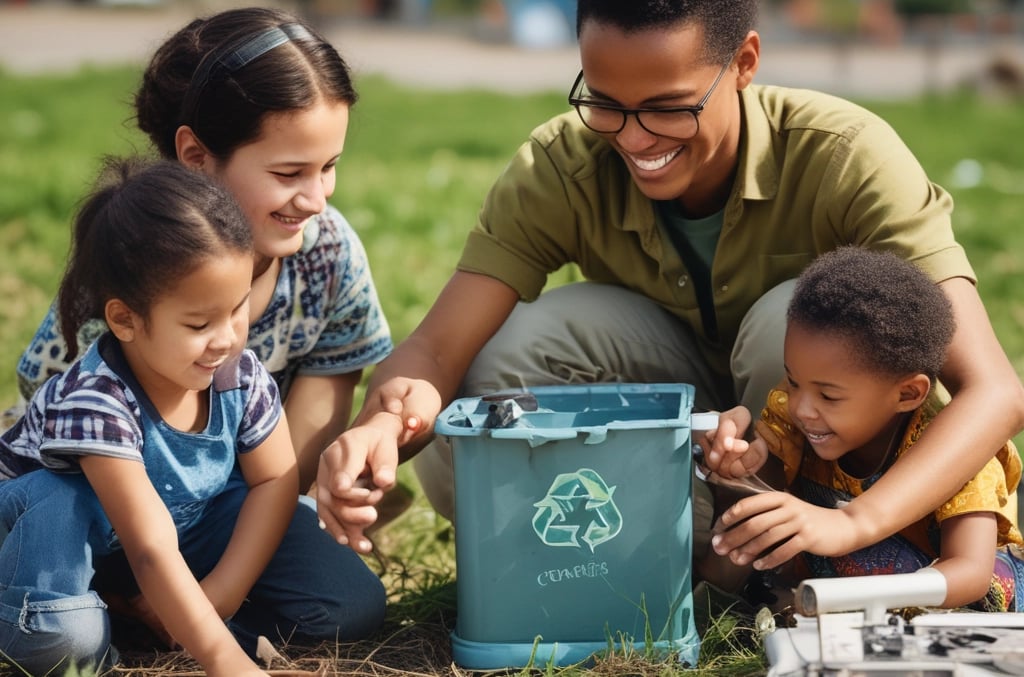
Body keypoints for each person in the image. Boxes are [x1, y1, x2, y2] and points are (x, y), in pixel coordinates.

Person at [315, 0, 1024, 569]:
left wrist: (856, 520)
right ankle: (626, 555)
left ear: (745, 62)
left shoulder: (845, 154)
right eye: (605, 102)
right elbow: (438, 350)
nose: (633, 137)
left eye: (668, 106)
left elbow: (992, 389)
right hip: (681, 434)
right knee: (498, 365)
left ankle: (783, 553)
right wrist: (380, 427)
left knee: (796, 319)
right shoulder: (562, 165)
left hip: (823, 478)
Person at [8, 5, 390, 656]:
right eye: (289, 172)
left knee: (345, 603)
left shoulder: (327, 252)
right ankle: (86, 614)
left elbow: (294, 447)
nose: (318, 197)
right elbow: (54, 397)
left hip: (216, 499)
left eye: (329, 167)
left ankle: (162, 621)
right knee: (66, 627)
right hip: (98, 503)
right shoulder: (131, 261)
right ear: (195, 155)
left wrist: (223, 587)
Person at [1, 157, 299, 676]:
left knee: (340, 599)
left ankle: (141, 612)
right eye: (199, 322)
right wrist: (227, 664)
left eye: (238, 308)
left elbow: (276, 476)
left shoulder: (238, 374)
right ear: (125, 319)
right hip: (42, 552)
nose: (227, 338)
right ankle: (75, 621)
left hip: (142, 545)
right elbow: (151, 548)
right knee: (64, 639)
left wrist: (222, 592)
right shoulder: (97, 399)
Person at [699, 246, 1024, 611]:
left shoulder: (961, 457)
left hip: (948, 603)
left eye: (829, 396)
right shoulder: (793, 417)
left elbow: (970, 575)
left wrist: (857, 603)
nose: (801, 408)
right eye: (793, 382)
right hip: (840, 591)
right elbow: (752, 534)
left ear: (908, 393)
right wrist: (739, 465)